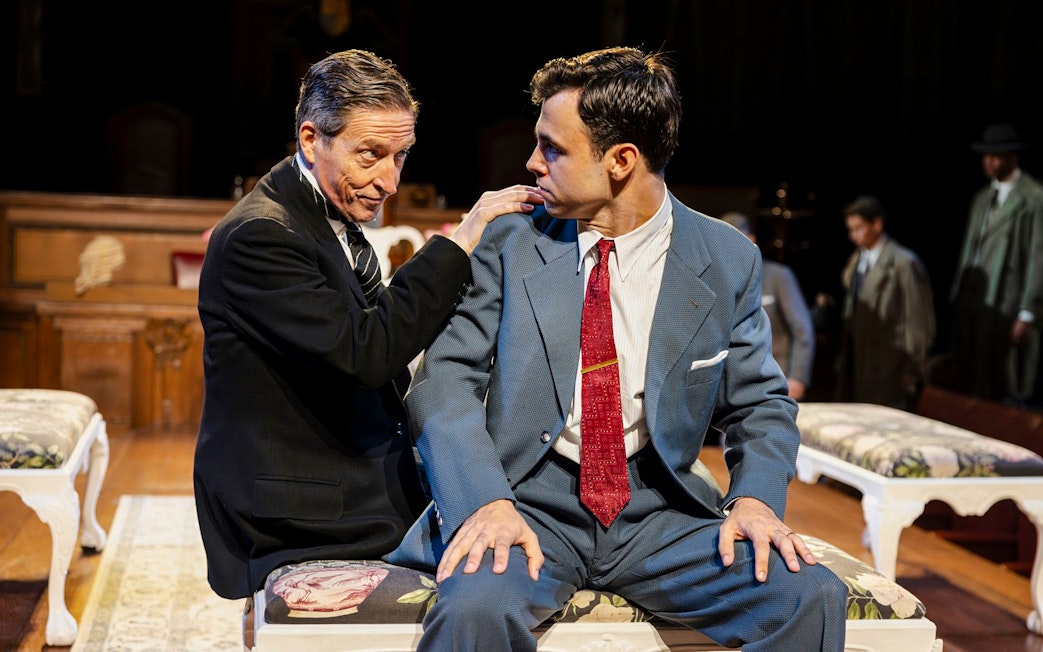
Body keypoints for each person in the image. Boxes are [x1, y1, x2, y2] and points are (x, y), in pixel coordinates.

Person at [387, 46, 847, 651]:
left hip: (661, 513)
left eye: (552, 148)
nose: (532, 163)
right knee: (475, 609)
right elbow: (445, 380)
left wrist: (755, 500)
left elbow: (760, 403)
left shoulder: (725, 257)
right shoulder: (511, 241)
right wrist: (484, 502)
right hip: (528, 504)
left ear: (621, 160)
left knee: (810, 596)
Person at [192, 49, 542, 600]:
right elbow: (368, 353)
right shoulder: (261, 236)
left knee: (509, 498)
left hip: (336, 471)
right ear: (312, 140)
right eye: (371, 155)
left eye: (400, 156)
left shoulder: (318, 209)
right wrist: (460, 240)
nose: (389, 181)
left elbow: (384, 333)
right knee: (510, 554)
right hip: (294, 507)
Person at [949, 123, 1043, 406]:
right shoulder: (982, 199)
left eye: (996, 156)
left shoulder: (1034, 198)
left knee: (1004, 380)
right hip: (977, 302)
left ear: (1013, 157)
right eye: (986, 155)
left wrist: (1028, 311)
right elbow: (970, 250)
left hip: (1007, 301)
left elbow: (1038, 256)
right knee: (972, 378)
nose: (989, 161)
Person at [835, 195, 935, 411]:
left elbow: (917, 321)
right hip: (858, 364)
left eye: (858, 228)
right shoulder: (857, 260)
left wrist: (912, 369)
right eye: (850, 229)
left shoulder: (903, 263)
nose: (853, 236)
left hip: (889, 369)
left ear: (877, 224)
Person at [720, 211, 815, 400]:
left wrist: (797, 377)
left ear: (751, 239)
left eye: (737, 239)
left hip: (775, 380)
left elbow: (802, 330)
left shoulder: (778, 276)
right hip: (732, 386)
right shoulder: (718, 280)